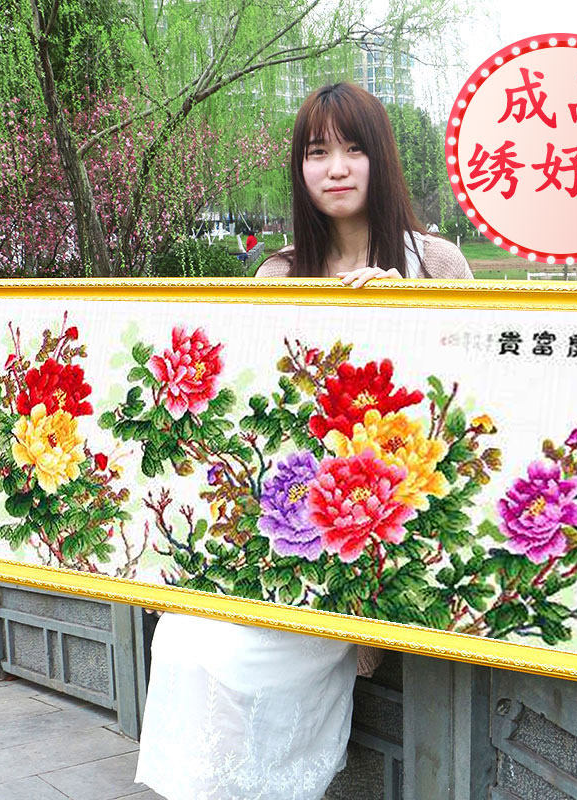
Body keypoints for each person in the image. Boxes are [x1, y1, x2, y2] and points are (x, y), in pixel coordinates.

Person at [134, 82, 472, 800]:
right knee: (185, 639)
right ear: (300, 168)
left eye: (353, 149)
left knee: (235, 659)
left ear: (380, 159)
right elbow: (249, 416)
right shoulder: (279, 273)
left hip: (376, 539)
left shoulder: (435, 264)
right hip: (287, 534)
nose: (336, 168)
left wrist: (410, 317)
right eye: (318, 152)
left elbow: (473, 401)